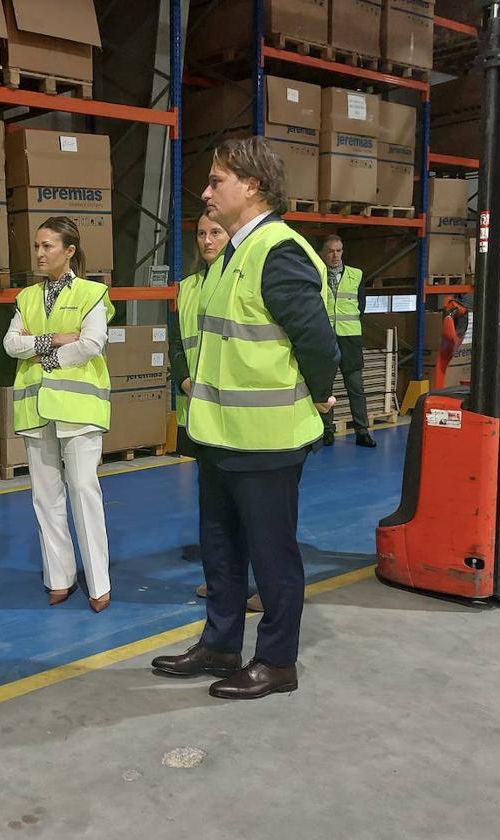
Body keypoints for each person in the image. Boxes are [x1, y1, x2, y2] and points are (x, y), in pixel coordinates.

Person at [151, 137, 339, 700]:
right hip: (219, 436)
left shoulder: (277, 251)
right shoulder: (232, 254)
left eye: (216, 182)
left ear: (251, 186)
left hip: (265, 441)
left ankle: (278, 661)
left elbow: (319, 345)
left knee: (272, 555)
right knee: (222, 550)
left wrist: (319, 396)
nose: (206, 192)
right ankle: (221, 644)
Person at [4, 217, 114, 613]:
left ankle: (99, 583)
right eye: (37, 245)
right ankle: (59, 577)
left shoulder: (92, 294)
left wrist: (45, 357)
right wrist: (53, 339)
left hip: (79, 409)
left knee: (84, 492)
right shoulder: (26, 298)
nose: (39, 253)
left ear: (69, 251)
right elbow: (11, 344)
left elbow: (92, 342)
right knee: (45, 497)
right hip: (36, 409)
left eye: (48, 246)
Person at [172, 213, 264, 614]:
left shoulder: (244, 279)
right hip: (199, 412)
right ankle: (222, 581)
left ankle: (264, 585)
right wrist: (184, 381)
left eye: (216, 233)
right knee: (215, 511)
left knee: (255, 510)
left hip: (244, 414)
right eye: (202, 235)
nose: (208, 241)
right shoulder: (188, 288)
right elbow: (178, 343)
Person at [319, 235, 376, 448]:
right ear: (323, 254)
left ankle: (362, 431)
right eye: (331, 251)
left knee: (355, 387)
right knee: (325, 389)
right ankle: (327, 431)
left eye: (339, 250)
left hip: (350, 338)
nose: (336, 255)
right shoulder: (317, 274)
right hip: (325, 339)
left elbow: (361, 307)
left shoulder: (356, 275)